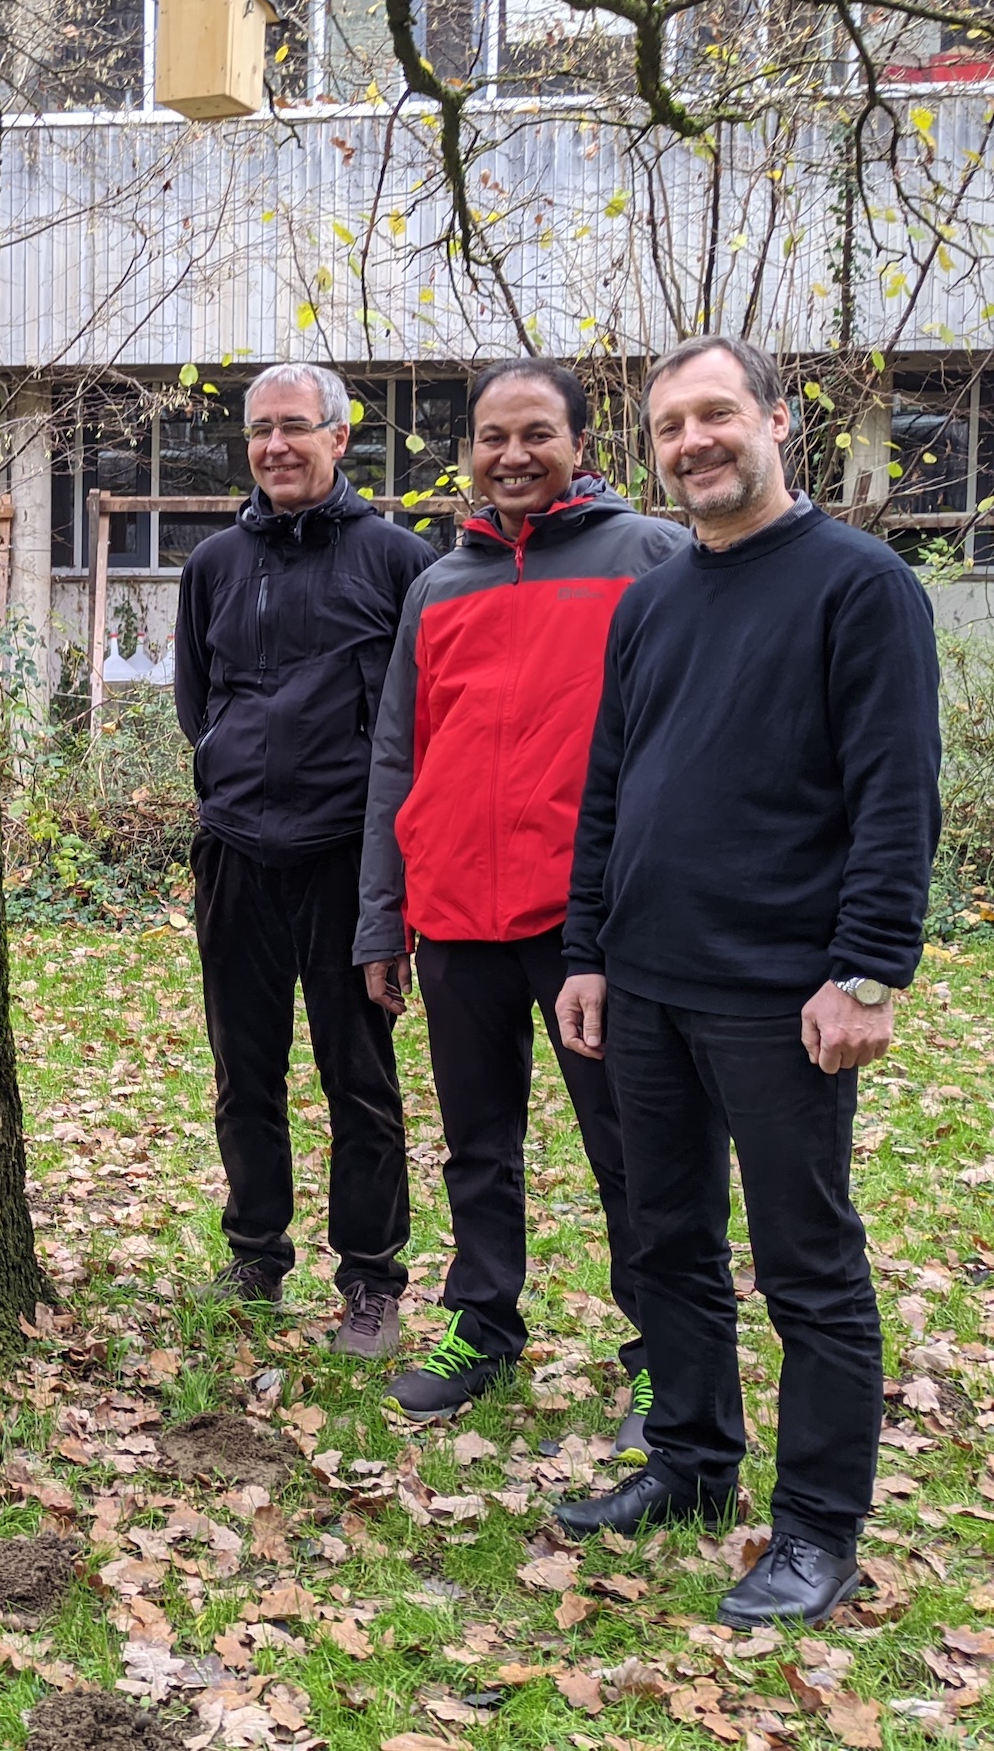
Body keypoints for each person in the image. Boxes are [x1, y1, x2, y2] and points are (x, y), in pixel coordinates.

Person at [550, 336, 941, 1626]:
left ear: (777, 420)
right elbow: (608, 788)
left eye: (715, 413)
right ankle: (689, 1460)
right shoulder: (655, 598)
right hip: (647, 987)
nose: (693, 441)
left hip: (782, 994)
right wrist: (588, 951)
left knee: (806, 1264)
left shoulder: (860, 584)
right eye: (669, 425)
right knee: (664, 1237)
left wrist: (868, 972)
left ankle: (817, 1528)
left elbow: (897, 796)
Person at [354, 360, 688, 1431]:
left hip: (588, 921)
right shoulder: (437, 583)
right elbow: (398, 756)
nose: (511, 455)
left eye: (535, 433)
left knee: (629, 1146)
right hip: (454, 914)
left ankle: (664, 1353)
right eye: (492, 437)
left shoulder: (650, 557)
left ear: (581, 444)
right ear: (469, 453)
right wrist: (382, 911)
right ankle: (482, 1323)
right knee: (476, 1143)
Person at [174, 361, 438, 1357]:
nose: (275, 445)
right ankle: (254, 1252)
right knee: (245, 1069)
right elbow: (198, 700)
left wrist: (395, 879)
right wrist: (228, 774)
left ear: (338, 437)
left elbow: (421, 721)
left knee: (357, 1076)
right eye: (259, 430)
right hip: (237, 851)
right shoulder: (212, 565)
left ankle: (371, 1277)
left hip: (348, 860)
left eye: (295, 426)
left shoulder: (397, 561)